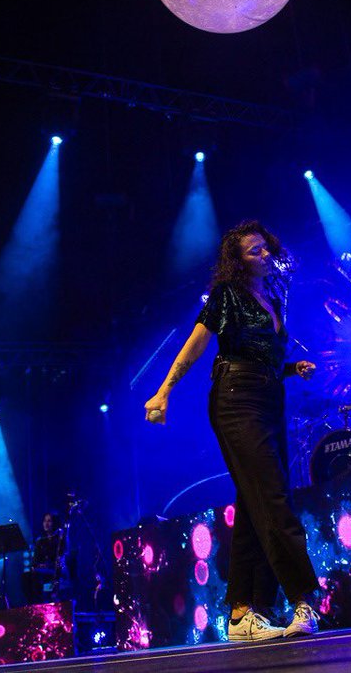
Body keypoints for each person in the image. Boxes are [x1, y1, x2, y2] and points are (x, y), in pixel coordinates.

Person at [145, 219, 320, 642]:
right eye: (252, 251)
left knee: (253, 502)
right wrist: (164, 390)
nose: (263, 254)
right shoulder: (227, 295)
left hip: (269, 397)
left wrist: (291, 368)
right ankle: (303, 599)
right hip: (236, 398)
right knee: (273, 497)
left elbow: (262, 354)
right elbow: (197, 343)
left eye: (265, 247)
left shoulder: (274, 297)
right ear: (237, 262)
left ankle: (243, 613)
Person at [23, 511, 66, 605]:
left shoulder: (60, 539)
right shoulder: (40, 541)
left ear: (54, 523)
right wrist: (39, 566)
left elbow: (61, 559)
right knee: (26, 576)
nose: (46, 524)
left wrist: (47, 565)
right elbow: (34, 562)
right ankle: (32, 605)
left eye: (49, 521)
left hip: (55, 570)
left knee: (36, 577)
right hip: (42, 571)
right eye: (45, 521)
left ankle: (40, 604)